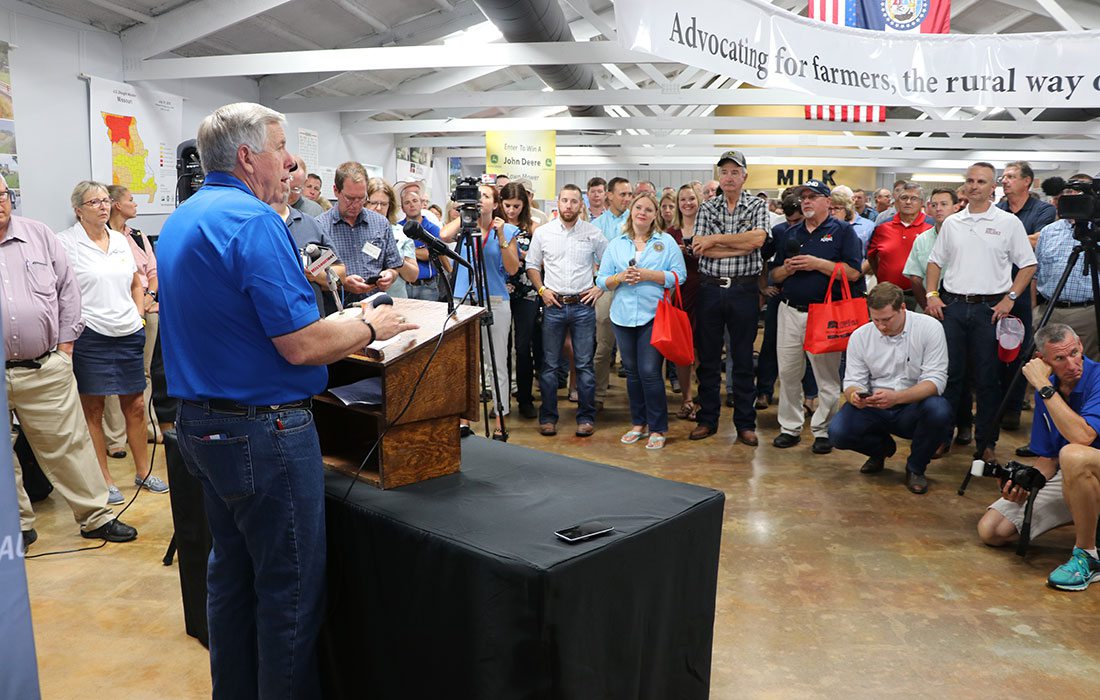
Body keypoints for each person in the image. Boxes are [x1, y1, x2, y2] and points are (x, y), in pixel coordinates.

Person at [158, 102, 415, 697]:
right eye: (280, 147)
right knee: (290, 593)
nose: (292, 161)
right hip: (262, 432)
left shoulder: (184, 217)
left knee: (231, 579)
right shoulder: (254, 222)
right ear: (248, 157)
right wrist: (373, 327)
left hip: (202, 427)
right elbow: (300, 345)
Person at [1, 176, 137, 549]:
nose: (0, 202)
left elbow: (68, 292)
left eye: (2, 194)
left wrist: (65, 350)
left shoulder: (39, 236)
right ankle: (18, 525)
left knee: (70, 446)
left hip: (44, 366)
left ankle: (95, 516)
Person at [57, 181, 165, 504]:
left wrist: (137, 316)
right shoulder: (65, 243)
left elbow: (135, 281)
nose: (104, 206)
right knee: (94, 409)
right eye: (94, 202)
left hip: (127, 331)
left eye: (105, 200)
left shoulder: (120, 240)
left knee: (134, 405)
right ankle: (104, 479)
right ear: (78, 210)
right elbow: (60, 290)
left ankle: (143, 471)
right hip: (91, 335)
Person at [925, 162, 1037, 462]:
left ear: (993, 187)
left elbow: (1028, 265)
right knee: (950, 377)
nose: (975, 186)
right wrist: (931, 294)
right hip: (953, 307)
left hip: (991, 310)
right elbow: (935, 262)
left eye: (981, 181)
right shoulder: (952, 223)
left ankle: (985, 442)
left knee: (989, 380)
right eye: (970, 181)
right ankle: (943, 435)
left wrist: (1010, 298)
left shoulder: (1008, 223)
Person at [976, 324, 1100, 590]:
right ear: (1043, 360)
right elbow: (1047, 459)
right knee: (992, 530)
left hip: (1088, 465)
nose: (1072, 364)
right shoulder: (1051, 389)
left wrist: (1043, 386)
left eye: (1075, 352)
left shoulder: (1086, 380)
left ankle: (1087, 555)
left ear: (1080, 343)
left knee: (1074, 454)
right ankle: (1086, 511)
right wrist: (1025, 481)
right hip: (1076, 477)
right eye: (1059, 359)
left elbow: (1083, 437)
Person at [829, 283, 952, 494]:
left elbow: (936, 382)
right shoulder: (861, 336)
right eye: (875, 319)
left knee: (940, 410)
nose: (881, 326)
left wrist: (897, 398)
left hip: (912, 405)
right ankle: (881, 449)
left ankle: (916, 467)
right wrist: (854, 396)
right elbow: (851, 382)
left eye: (886, 319)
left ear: (903, 308)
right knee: (838, 432)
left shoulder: (929, 328)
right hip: (874, 405)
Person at [770, 179, 863, 453]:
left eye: (813, 196)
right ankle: (790, 427)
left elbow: (854, 273)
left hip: (825, 314)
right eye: (803, 197)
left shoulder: (843, 231)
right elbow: (773, 275)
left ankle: (824, 429)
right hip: (790, 310)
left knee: (826, 377)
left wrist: (818, 264)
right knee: (788, 372)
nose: (806, 201)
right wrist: (786, 270)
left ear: (827, 202)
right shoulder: (790, 233)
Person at [690, 150, 770, 445]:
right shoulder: (708, 207)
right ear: (718, 177)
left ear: (744, 176)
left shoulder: (757, 205)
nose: (729, 177)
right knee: (709, 359)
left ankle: (745, 424)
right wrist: (739, 244)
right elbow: (700, 247)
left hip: (743, 289)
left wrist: (716, 239)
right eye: (724, 172)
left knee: (743, 359)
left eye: (735, 172)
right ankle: (707, 420)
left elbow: (758, 240)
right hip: (710, 289)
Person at [597, 192, 686, 450]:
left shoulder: (666, 242)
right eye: (639, 208)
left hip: (653, 315)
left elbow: (679, 276)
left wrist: (649, 275)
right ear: (631, 212)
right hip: (622, 316)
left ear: (655, 215)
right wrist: (620, 277)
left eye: (649, 209)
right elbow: (601, 280)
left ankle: (658, 427)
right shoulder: (617, 244)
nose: (643, 213)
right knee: (633, 373)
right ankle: (639, 423)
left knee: (649, 371)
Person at [439, 183, 520, 438]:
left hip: (495, 298)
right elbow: (443, 236)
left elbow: (513, 268)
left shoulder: (506, 229)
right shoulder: (463, 227)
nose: (480, 200)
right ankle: (463, 419)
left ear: (495, 204)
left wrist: (501, 237)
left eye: (485, 196)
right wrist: (464, 212)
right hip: (463, 298)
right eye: (477, 196)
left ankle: (500, 420)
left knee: (496, 361)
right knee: (465, 362)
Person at [526, 184, 606, 436]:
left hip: (583, 306)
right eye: (564, 201)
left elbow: (609, 263)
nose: (569, 206)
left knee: (584, 365)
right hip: (554, 305)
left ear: (580, 204)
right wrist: (542, 291)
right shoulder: (543, 233)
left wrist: (599, 288)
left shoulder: (593, 233)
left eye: (574, 201)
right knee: (549, 366)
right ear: (557, 203)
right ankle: (548, 417)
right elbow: (531, 265)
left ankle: (586, 418)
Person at [997, 161, 1058, 431]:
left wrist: (999, 237)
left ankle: (1012, 407)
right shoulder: (997, 209)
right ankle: (994, 407)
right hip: (994, 288)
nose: (1005, 180)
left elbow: (1039, 240)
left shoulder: (1042, 209)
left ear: (1028, 182)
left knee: (1019, 350)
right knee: (993, 351)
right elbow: (1026, 239)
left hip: (1022, 289)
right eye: (1004, 176)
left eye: (1011, 176)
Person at [107, 184, 162, 443]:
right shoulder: (101, 237)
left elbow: (153, 273)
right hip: (115, 310)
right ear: (117, 205)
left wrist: (149, 298)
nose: (135, 204)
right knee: (110, 373)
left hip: (146, 309)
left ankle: (148, 429)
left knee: (144, 370)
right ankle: (116, 437)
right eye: (131, 200)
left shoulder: (138, 236)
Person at [316, 161, 403, 304]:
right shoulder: (319, 227)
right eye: (350, 198)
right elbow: (314, 274)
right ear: (336, 191)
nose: (356, 204)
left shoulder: (381, 224)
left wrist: (389, 276)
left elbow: (393, 267)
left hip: (374, 306)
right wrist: (342, 282)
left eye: (361, 198)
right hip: (337, 310)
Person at [1033, 186, 1098, 360]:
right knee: (1041, 367)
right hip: (1048, 312)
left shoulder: (1096, 233)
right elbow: (1035, 274)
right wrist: (1034, 310)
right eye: (1066, 197)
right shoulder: (1048, 232)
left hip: (1086, 314)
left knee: (1083, 368)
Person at [499, 182, 542, 419]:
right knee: (502, 347)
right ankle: (502, 397)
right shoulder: (496, 227)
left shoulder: (534, 228)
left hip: (527, 292)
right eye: (507, 206)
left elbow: (542, 260)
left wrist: (525, 256)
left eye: (516, 206)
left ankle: (525, 397)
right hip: (501, 292)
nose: (512, 210)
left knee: (523, 347)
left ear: (525, 205)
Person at [592, 177, 633, 410]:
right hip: (607, 286)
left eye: (629, 194)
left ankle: (638, 397)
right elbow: (591, 258)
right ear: (609, 195)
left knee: (633, 348)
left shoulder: (636, 220)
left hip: (634, 286)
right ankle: (597, 396)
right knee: (604, 346)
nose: (626, 198)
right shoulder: (597, 225)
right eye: (622, 194)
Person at [664, 183, 704, 420]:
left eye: (691, 199)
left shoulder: (708, 228)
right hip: (680, 294)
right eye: (683, 200)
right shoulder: (671, 233)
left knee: (703, 348)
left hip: (705, 292)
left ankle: (702, 398)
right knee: (682, 350)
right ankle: (686, 399)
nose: (687, 204)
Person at [867, 182, 932, 305]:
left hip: (922, 297)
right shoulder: (882, 227)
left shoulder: (932, 227)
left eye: (913, 198)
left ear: (922, 203)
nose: (908, 202)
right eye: (904, 198)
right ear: (897, 201)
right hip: (888, 296)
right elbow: (872, 257)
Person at [395, 181, 445, 302]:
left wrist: (406, 253)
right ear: (402, 208)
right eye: (407, 202)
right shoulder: (396, 228)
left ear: (422, 204)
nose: (411, 205)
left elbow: (430, 254)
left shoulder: (432, 228)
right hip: (404, 285)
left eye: (415, 201)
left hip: (427, 287)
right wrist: (420, 251)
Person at [371, 178, 421, 298]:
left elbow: (412, 276)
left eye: (383, 204)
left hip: (396, 300)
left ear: (390, 206)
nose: (378, 208)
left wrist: (395, 257)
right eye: (373, 203)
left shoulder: (401, 233)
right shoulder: (354, 231)